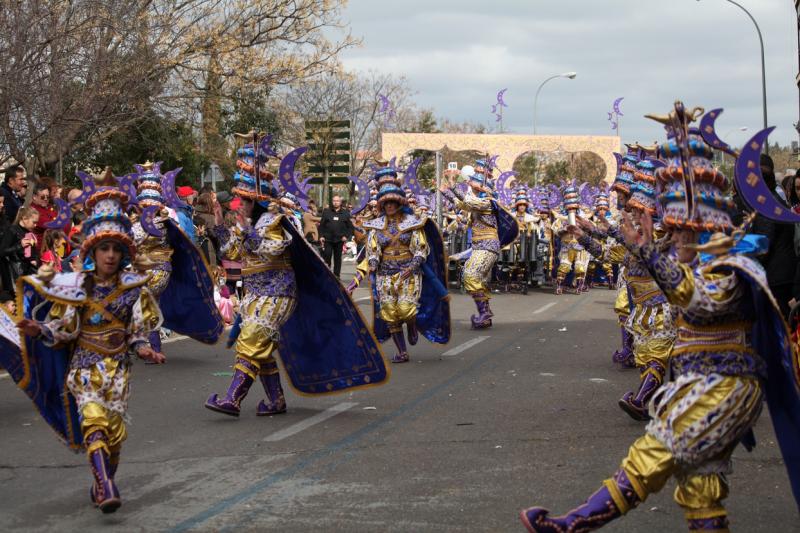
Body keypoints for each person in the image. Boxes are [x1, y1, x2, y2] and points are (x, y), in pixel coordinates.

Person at [520, 102, 800, 532]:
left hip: (721, 388)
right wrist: (627, 242)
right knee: (700, 491)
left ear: (701, 230)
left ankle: (569, 524)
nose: (675, 238)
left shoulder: (730, 268)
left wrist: (648, 250)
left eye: (681, 231)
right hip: (701, 381)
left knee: (650, 455)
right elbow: (643, 262)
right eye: (671, 229)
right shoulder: (698, 260)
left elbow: (695, 298)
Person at [8, 168, 166, 514]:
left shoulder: (132, 288)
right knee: (93, 423)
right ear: (93, 251)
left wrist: (145, 349)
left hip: (118, 372)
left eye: (115, 249)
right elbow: (65, 328)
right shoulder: (77, 288)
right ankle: (107, 486)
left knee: (114, 436)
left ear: (123, 252)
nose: (109, 255)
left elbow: (138, 329)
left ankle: (102, 479)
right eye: (103, 248)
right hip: (84, 369)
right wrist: (41, 330)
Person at [206, 133, 388, 418]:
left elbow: (273, 249)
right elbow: (232, 253)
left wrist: (247, 233)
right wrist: (220, 226)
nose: (238, 205)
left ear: (255, 200)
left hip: (277, 293)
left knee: (252, 340)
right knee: (261, 346)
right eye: (237, 201)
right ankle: (275, 401)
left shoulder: (274, 220)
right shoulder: (249, 223)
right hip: (254, 292)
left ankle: (232, 398)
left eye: (242, 200)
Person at [356, 166, 450, 363]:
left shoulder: (412, 222)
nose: (389, 206)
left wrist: (412, 267)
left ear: (399, 203)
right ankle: (402, 351)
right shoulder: (376, 225)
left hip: (408, 272)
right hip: (385, 274)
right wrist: (372, 264)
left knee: (406, 310)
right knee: (390, 313)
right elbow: (373, 251)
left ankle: (412, 323)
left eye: (392, 202)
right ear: (382, 205)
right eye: (386, 203)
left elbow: (420, 249)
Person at [440, 160, 516, 329]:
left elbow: (467, 202)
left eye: (473, 181)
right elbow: (462, 204)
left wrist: (452, 185)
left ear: (482, 187)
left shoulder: (488, 202)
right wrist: (445, 191)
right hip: (478, 245)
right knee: (474, 278)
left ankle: (484, 313)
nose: (470, 182)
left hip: (488, 245)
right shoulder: (476, 203)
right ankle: (485, 314)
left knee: (470, 276)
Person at [0, 207, 40, 292]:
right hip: (14, 273)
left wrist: (34, 260)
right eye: (34, 222)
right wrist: (19, 246)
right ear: (25, 218)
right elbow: (2, 251)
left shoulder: (29, 232)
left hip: (27, 271)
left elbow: (32, 252)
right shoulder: (12, 230)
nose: (36, 225)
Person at [319, 194, 354, 278]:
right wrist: (321, 236)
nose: (335, 202)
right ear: (332, 202)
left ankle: (336, 276)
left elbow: (350, 227)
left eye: (337, 201)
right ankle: (327, 274)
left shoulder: (345, 213)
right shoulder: (326, 212)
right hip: (328, 239)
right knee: (327, 256)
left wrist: (346, 236)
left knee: (337, 259)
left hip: (339, 240)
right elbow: (321, 225)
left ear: (340, 202)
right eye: (334, 201)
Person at [30, 182, 57, 253]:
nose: (45, 199)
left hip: (51, 248)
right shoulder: (32, 211)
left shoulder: (49, 207)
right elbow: (52, 225)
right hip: (40, 251)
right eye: (42, 197)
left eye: (47, 197)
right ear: (34, 197)